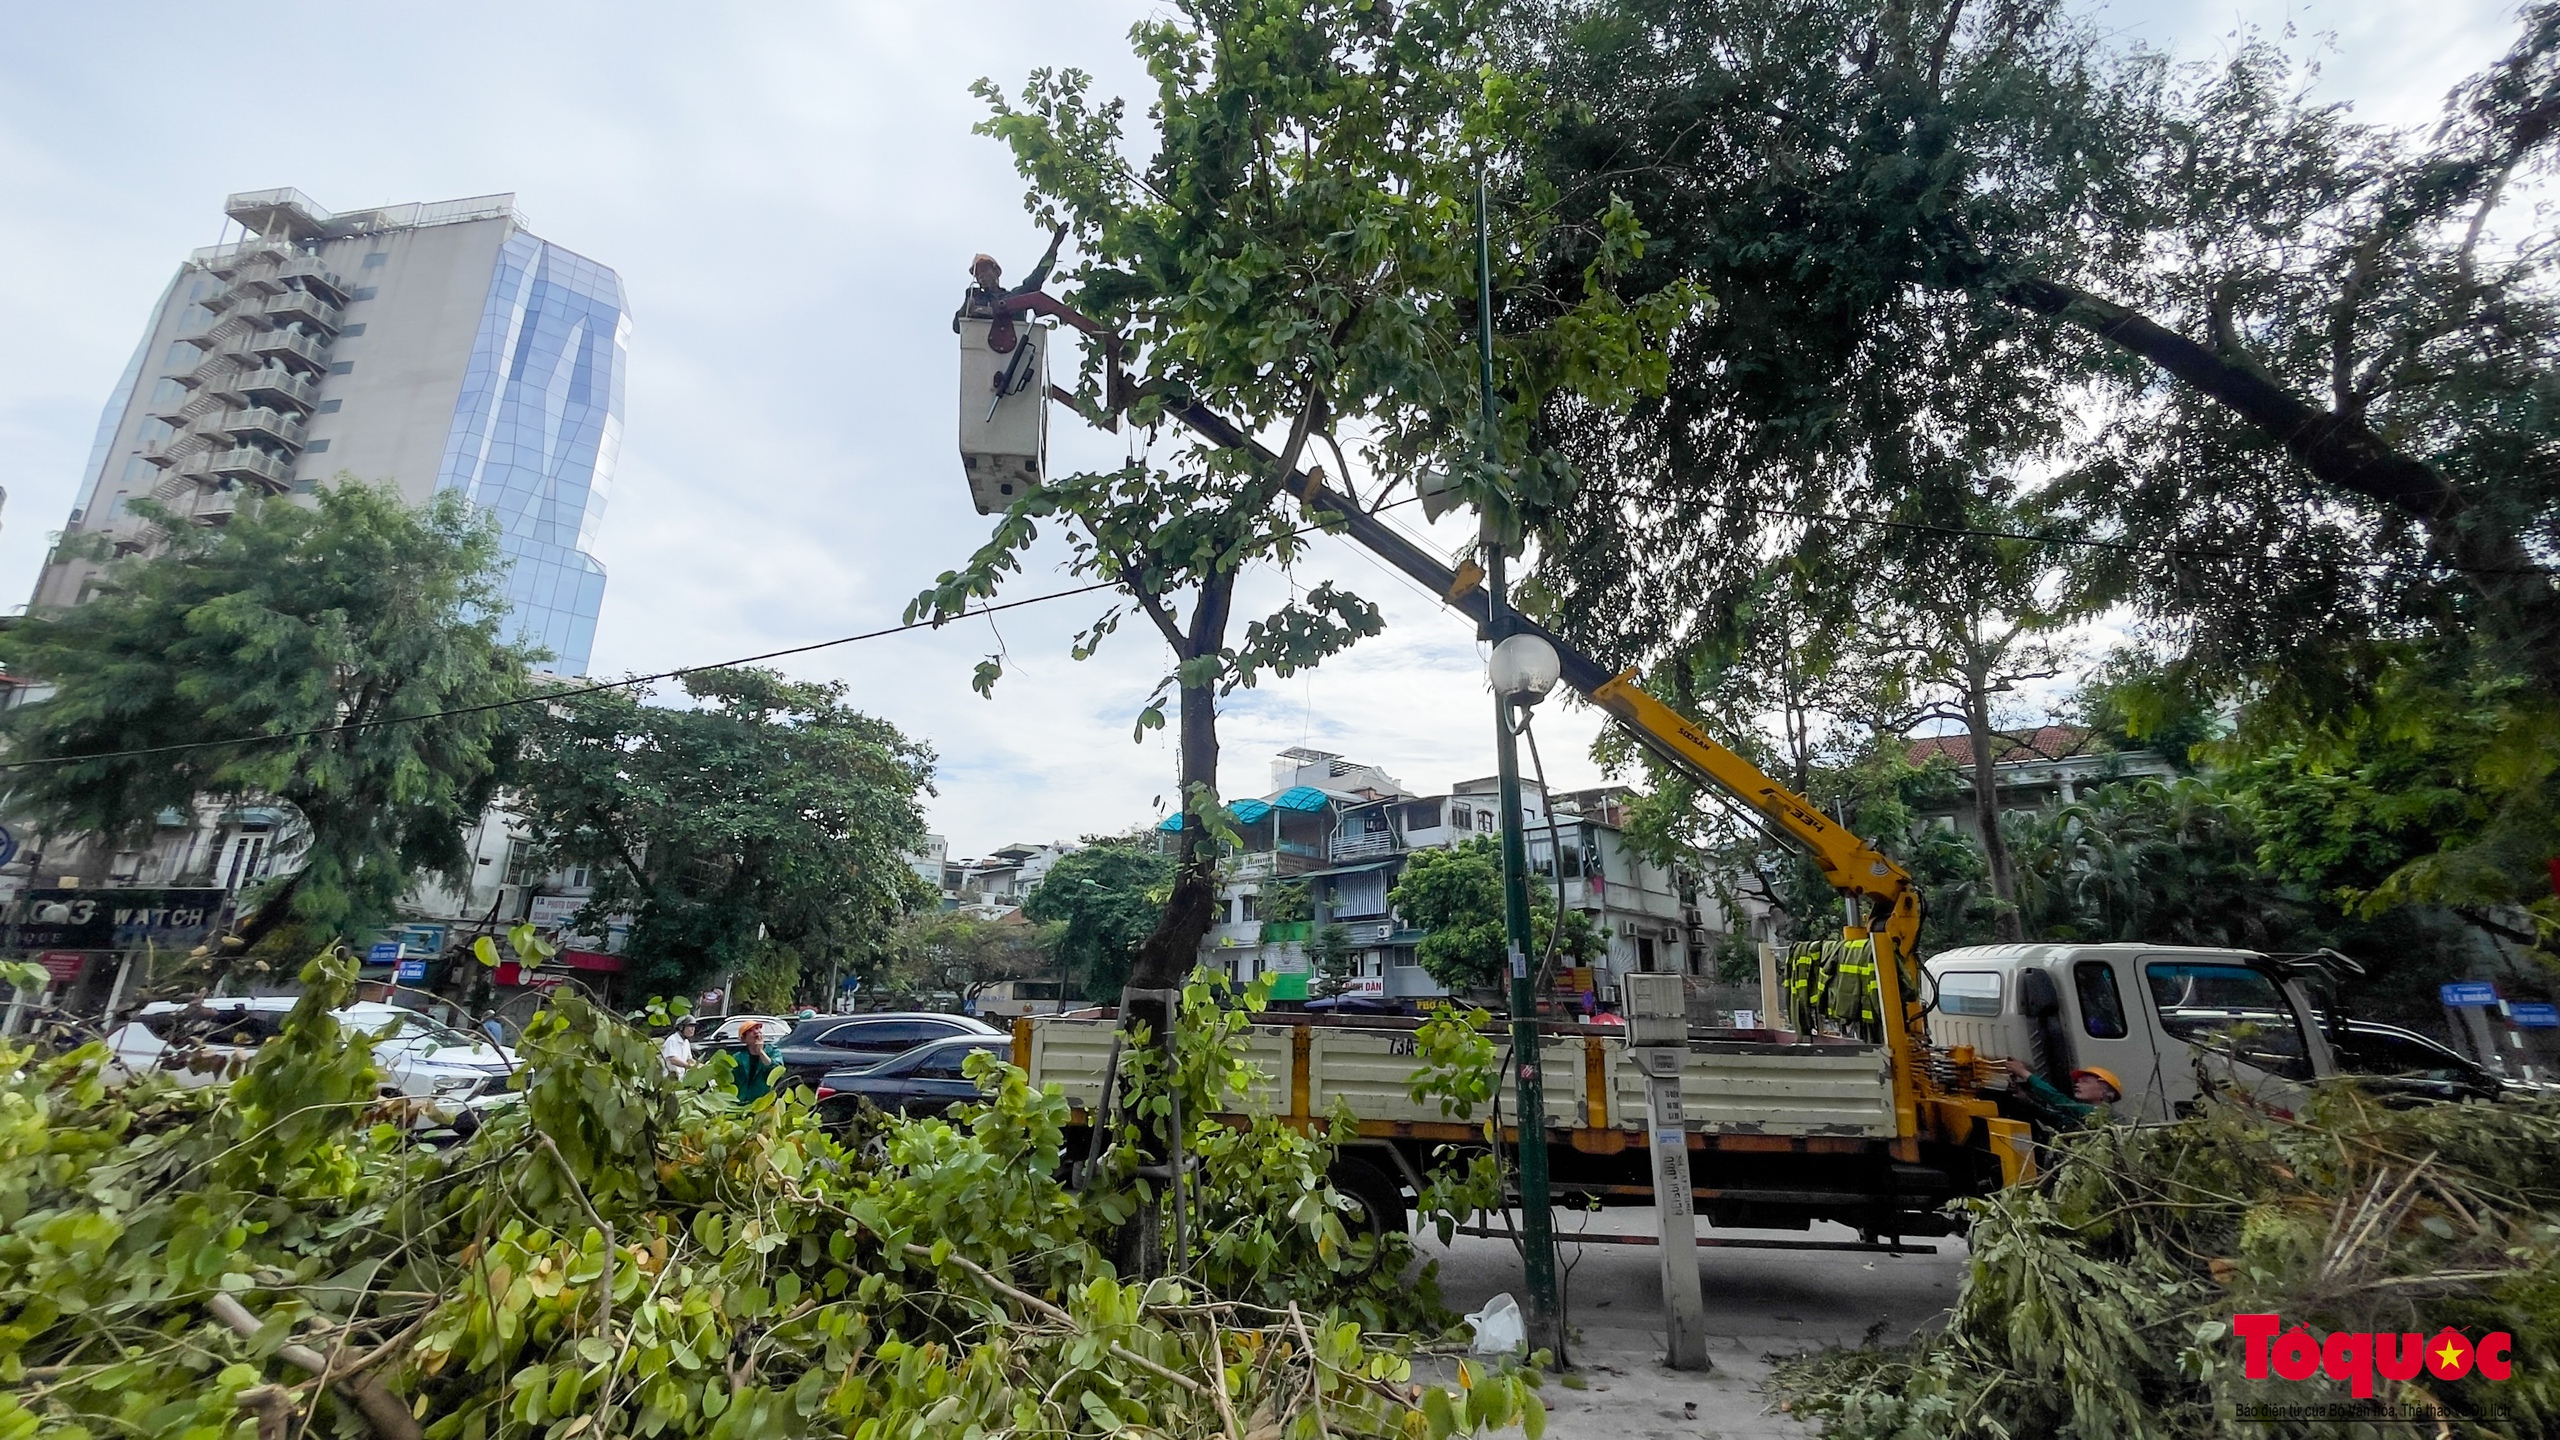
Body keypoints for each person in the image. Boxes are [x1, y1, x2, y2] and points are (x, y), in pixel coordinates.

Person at [2004, 1056, 2125, 1131]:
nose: (2077, 1084)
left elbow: (2059, 1101)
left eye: (2085, 1082)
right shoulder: (2082, 1116)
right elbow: (2056, 1120)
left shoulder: (2103, 1115)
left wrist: (2024, 1073)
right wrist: (2025, 1099)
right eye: (2077, 1082)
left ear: (2105, 1091)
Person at [734, 1021, 780, 1106]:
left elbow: (777, 1069)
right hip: (741, 1103)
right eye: (751, 1030)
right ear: (744, 1039)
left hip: (763, 1102)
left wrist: (761, 1052)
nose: (756, 1032)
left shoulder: (773, 1052)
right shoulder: (738, 1057)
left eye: (758, 1028)